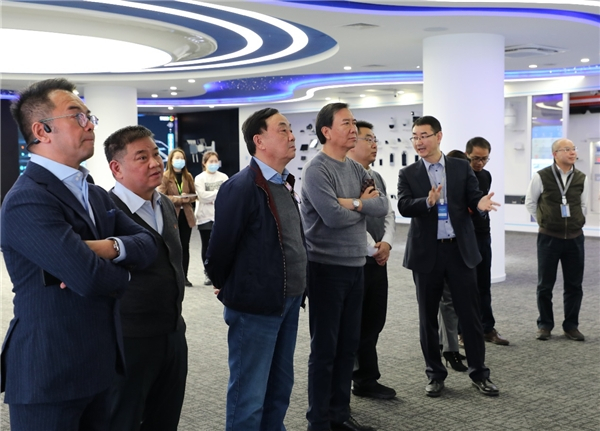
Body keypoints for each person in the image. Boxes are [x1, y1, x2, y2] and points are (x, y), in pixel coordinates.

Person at [0, 78, 157, 431]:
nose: (90, 125)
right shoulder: (27, 199)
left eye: (90, 117)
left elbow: (150, 245)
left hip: (98, 365)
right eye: (77, 116)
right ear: (42, 130)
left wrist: (107, 247)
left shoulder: (94, 193)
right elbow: (90, 279)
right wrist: (125, 270)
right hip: (49, 372)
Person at [205, 108, 306, 431]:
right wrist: (228, 285)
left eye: (290, 129)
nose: (292, 136)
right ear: (259, 141)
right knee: (249, 394)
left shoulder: (284, 183)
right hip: (255, 305)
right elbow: (219, 250)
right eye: (282, 130)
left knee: (279, 386)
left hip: (287, 300)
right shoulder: (242, 187)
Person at [397, 115, 501, 398]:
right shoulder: (408, 173)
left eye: (424, 136)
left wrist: (480, 204)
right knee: (427, 318)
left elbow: (473, 196)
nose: (419, 142)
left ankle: (479, 374)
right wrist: (427, 201)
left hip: (459, 250)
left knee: (470, 315)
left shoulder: (460, 166)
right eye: (415, 137)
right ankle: (435, 374)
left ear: (439, 136)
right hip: (426, 253)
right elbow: (404, 205)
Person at [301, 103, 388, 431]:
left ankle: (339, 415)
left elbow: (381, 205)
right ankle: (319, 421)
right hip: (326, 269)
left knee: (348, 346)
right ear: (326, 131)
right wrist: (362, 205)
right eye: (346, 123)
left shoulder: (355, 168)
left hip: (356, 266)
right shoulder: (316, 170)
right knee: (325, 349)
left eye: (354, 123)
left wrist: (352, 203)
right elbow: (332, 217)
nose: (354, 129)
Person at [104, 125, 188, 430]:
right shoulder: (105, 213)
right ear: (117, 168)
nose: (155, 163)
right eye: (142, 157)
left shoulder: (164, 203)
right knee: (123, 420)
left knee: (165, 419)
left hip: (172, 332)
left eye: (156, 154)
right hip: (129, 340)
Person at [346, 121, 396, 400]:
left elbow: (387, 211)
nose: (374, 144)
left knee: (374, 320)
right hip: (356, 259)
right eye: (368, 139)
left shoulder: (375, 176)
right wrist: (371, 249)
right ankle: (357, 378)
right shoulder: (344, 176)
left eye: (375, 139)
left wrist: (386, 243)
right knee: (354, 323)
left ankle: (366, 377)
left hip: (378, 259)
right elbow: (351, 218)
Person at [525, 138, 587, 342]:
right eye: (566, 149)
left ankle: (571, 326)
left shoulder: (581, 177)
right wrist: (545, 220)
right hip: (549, 238)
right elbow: (531, 203)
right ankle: (545, 324)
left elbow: (583, 205)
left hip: (575, 238)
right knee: (545, 285)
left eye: (573, 149)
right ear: (555, 154)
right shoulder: (541, 176)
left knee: (574, 285)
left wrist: (577, 221)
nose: (572, 152)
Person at [465, 137, 509, 346]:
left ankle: (487, 328)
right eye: (476, 158)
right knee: (465, 287)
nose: (480, 163)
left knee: (484, 284)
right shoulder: (460, 176)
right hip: (465, 237)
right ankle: (463, 331)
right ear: (467, 155)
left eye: (484, 159)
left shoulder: (486, 175)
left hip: (483, 234)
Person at [437, 150, 469, 373]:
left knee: (451, 302)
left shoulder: (470, 184)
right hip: (435, 251)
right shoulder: (435, 184)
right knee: (444, 301)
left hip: (461, 249)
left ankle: (447, 345)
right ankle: (448, 348)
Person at [158, 148, 198, 287]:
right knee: (173, 246)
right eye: (177, 158)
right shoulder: (165, 176)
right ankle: (172, 275)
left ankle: (184, 276)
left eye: (182, 158)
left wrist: (188, 198)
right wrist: (178, 199)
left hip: (186, 216)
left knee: (185, 246)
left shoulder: (188, 176)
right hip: (172, 215)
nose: (180, 161)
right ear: (171, 160)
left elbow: (195, 195)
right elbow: (161, 196)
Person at [195, 151, 228, 286]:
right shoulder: (199, 178)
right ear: (204, 163)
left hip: (220, 216)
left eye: (216, 161)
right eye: (211, 161)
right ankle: (208, 272)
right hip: (204, 216)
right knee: (206, 245)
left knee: (221, 245)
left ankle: (220, 271)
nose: (214, 164)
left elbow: (227, 194)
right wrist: (218, 193)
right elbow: (202, 196)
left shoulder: (224, 177)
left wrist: (212, 195)